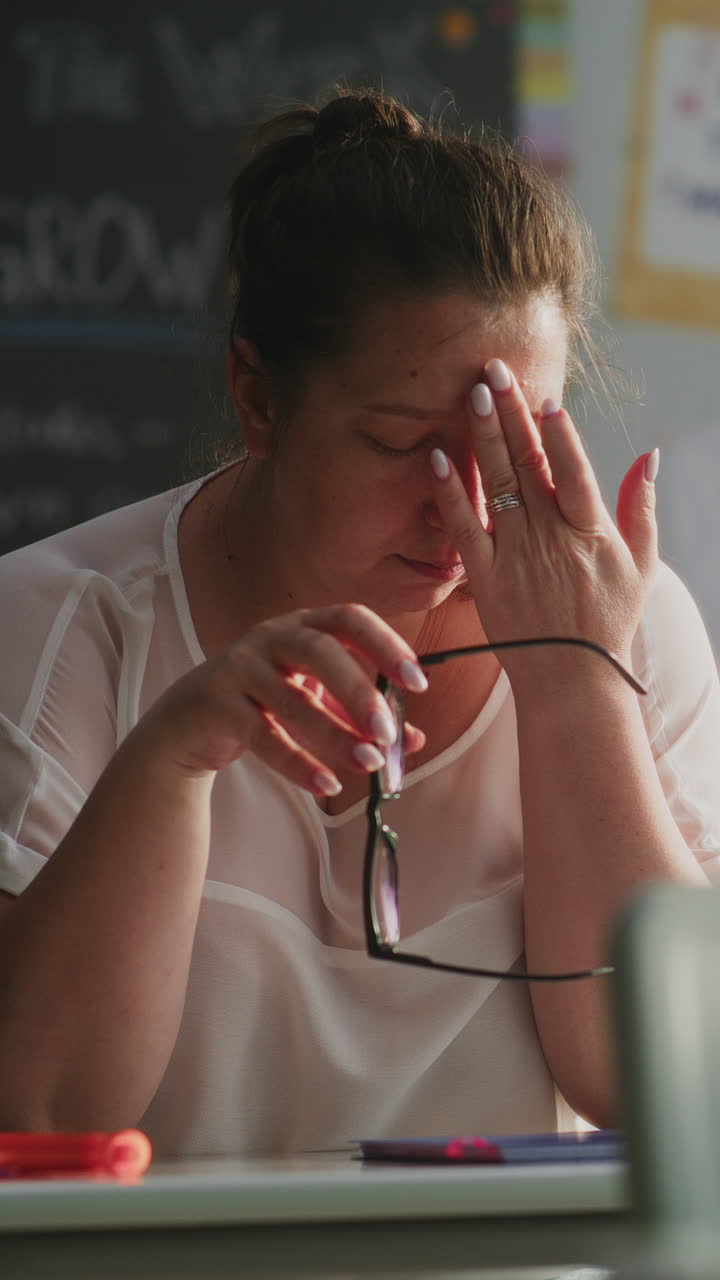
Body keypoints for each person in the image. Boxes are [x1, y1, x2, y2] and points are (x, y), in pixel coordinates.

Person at [0, 89, 718, 1159]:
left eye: (509, 442)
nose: (462, 504)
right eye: (401, 444)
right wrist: (171, 758)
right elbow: (41, 1112)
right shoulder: (62, 623)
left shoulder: (620, 617)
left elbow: (672, 1092)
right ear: (258, 396)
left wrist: (579, 690)